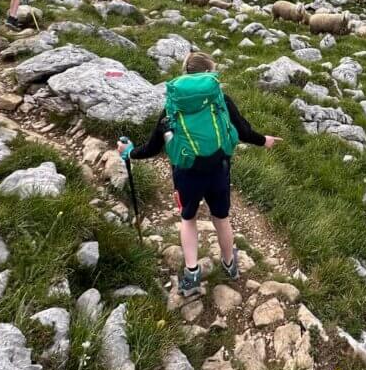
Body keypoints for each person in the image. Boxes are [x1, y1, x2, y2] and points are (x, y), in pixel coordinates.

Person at [118, 52, 281, 296]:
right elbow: (243, 130)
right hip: (219, 171)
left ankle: (192, 273)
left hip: (186, 176)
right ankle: (230, 264)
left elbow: (153, 147)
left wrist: (129, 152)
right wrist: (263, 140)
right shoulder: (220, 101)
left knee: (188, 219)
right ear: (209, 75)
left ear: (185, 73)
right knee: (221, 218)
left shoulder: (173, 107)